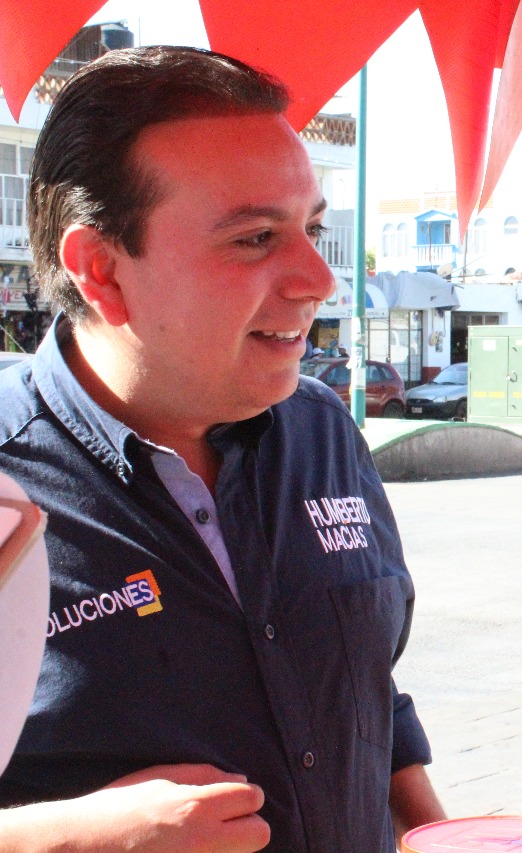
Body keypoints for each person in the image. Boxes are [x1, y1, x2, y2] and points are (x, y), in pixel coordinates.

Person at [0, 46, 444, 851]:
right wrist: (67, 835)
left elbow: (370, 690)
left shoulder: (323, 431)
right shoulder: (6, 483)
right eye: (254, 238)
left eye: (311, 227)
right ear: (100, 269)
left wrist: (438, 831)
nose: (318, 276)